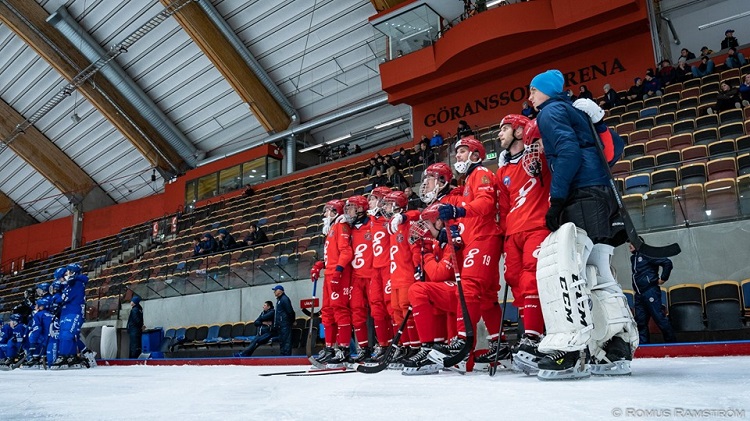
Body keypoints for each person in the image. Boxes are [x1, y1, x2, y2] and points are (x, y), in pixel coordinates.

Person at [528, 69, 636, 380]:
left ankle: (571, 351)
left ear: (547, 91)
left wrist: (557, 199)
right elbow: (612, 151)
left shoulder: (550, 112)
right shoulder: (573, 111)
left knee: (574, 270)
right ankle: (614, 347)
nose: (530, 97)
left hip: (582, 195)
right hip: (600, 194)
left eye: (534, 90)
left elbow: (568, 154)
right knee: (599, 270)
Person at [433, 136, 504, 370]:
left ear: (475, 154)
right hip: (478, 237)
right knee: (487, 298)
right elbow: (468, 218)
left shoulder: (481, 173)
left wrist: (458, 209)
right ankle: (499, 344)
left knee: (470, 287)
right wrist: (450, 232)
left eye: (462, 152)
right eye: (457, 153)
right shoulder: (468, 180)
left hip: (485, 237)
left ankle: (463, 341)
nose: (458, 157)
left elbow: (484, 205)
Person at [495, 115, 551, 374]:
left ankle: (534, 337)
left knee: (531, 278)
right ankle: (528, 332)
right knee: (514, 278)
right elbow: (504, 208)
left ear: (519, 131)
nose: (499, 134)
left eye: (504, 129)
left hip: (536, 226)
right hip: (513, 232)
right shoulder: (503, 170)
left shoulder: (537, 157)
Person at [313, 200, 354, 366]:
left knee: (340, 310)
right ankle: (330, 348)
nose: (324, 214)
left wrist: (338, 270)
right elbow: (332, 255)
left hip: (339, 275)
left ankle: (343, 350)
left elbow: (346, 252)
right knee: (327, 312)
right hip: (329, 274)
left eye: (327, 211)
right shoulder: (330, 229)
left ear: (335, 211)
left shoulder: (341, 226)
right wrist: (320, 265)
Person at [629, 240, 676, 344]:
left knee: (659, 318)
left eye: (632, 243)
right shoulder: (633, 258)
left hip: (650, 291)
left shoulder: (647, 254)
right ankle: (643, 346)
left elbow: (667, 262)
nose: (629, 246)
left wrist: (663, 278)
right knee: (640, 322)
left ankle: (672, 344)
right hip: (639, 294)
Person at [52, 264, 90, 369]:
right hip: (67, 312)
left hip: (74, 312)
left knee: (67, 335)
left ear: (73, 273)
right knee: (64, 335)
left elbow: (64, 298)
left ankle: (64, 356)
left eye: (68, 273)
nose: (66, 276)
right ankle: (71, 356)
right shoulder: (69, 284)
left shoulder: (77, 283)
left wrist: (57, 297)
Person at [272, 285, 295, 356]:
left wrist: (292, 320)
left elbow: (290, 311)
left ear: (279, 291)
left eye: (275, 290)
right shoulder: (280, 300)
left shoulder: (284, 299)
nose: (274, 292)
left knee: (286, 341)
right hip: (281, 324)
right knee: (282, 341)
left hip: (285, 324)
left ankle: (286, 356)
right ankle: (283, 355)